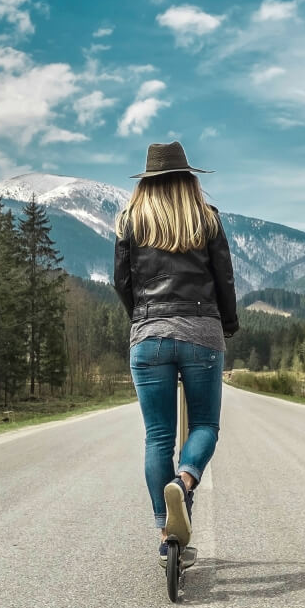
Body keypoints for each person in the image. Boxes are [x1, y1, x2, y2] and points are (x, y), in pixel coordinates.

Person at [113, 141, 238, 570]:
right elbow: (224, 278)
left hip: (149, 334)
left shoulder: (130, 221)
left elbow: (121, 282)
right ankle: (183, 483)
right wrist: (229, 325)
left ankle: (167, 536)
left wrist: (144, 320)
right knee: (204, 425)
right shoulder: (207, 219)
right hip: (201, 331)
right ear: (189, 179)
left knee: (158, 437)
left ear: (146, 182)